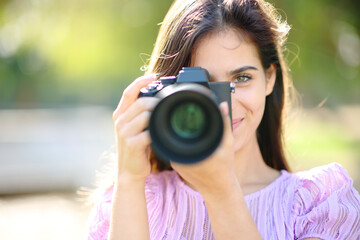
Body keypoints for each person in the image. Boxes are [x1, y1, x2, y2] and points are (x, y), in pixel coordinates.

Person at [86, 0, 360, 239]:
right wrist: (130, 178)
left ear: (270, 79)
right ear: (168, 94)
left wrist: (221, 192)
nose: (222, 105)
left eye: (241, 79)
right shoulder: (131, 200)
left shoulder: (321, 204)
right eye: (203, 86)